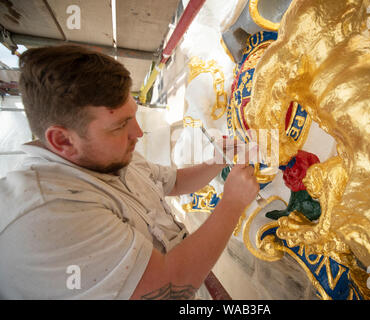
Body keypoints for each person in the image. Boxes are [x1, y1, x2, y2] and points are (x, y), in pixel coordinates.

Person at [0, 45, 259, 299]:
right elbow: (168, 289)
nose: (137, 132)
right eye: (120, 125)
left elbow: (174, 183)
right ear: (62, 141)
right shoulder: (50, 213)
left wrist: (217, 159)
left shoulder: (106, 156)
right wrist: (232, 203)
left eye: (133, 115)